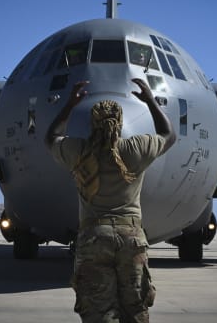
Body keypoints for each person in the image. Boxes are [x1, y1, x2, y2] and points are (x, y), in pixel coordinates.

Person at [44, 78, 176, 322]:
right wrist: (150, 101)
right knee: (135, 310)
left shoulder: (79, 151)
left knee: (98, 312)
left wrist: (70, 105)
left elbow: (51, 137)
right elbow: (168, 134)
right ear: (121, 122)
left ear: (92, 123)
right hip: (131, 239)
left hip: (93, 238)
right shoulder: (136, 148)